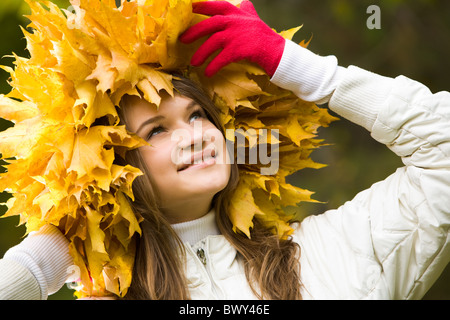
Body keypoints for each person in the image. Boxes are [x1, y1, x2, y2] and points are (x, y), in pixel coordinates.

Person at [0, 0, 449, 300]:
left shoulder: (336, 249)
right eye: (157, 130)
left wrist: (301, 69)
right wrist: (46, 257)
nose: (195, 135)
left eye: (198, 115)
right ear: (111, 167)